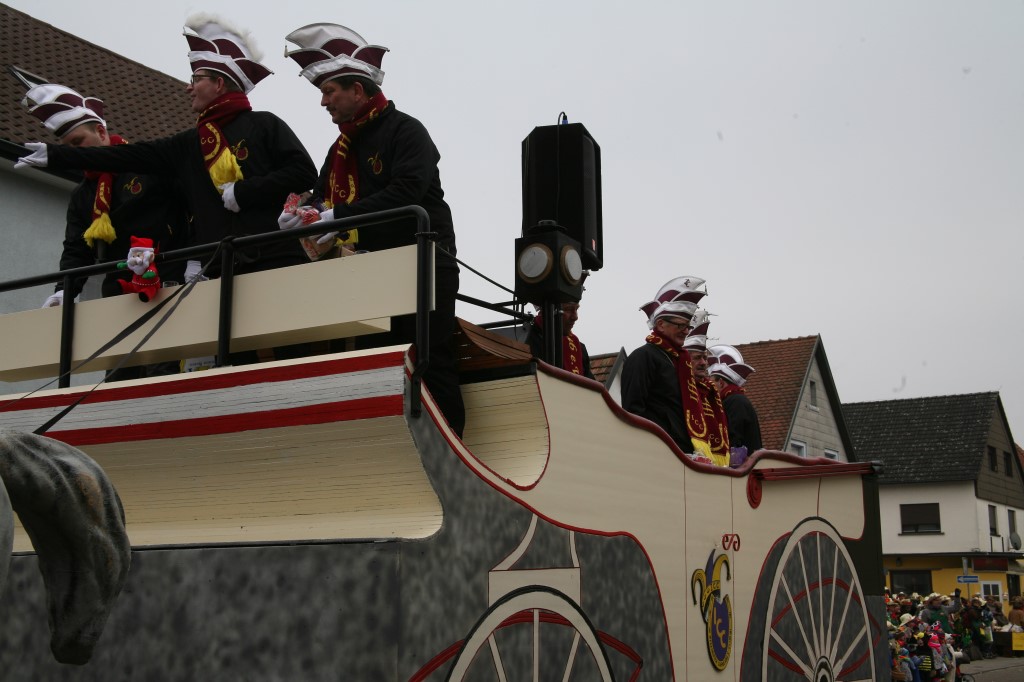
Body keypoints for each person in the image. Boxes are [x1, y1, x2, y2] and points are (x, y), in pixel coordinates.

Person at [17, 16, 317, 281]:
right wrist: (55, 155)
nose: (188, 87)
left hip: (276, 258)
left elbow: (303, 172)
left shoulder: (263, 124)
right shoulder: (186, 144)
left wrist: (244, 191)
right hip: (220, 267)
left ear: (218, 84)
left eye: (195, 79)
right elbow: (123, 156)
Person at [282, 23, 464, 436]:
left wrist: (336, 218)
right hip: (368, 271)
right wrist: (300, 215)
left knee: (430, 360)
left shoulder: (406, 130)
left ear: (358, 90)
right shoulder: (338, 149)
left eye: (330, 91)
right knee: (375, 362)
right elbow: (322, 200)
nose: (323, 102)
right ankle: (390, 443)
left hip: (424, 263)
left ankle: (452, 447)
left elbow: (406, 193)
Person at [20, 82, 187, 380]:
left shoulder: (147, 164)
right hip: (118, 287)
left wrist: (195, 261)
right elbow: (76, 248)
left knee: (162, 369)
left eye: (78, 142)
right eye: (68, 147)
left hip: (166, 277)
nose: (74, 152)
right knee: (119, 375)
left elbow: (189, 209)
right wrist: (64, 290)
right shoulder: (83, 194)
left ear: (101, 132)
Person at [621, 276, 730, 465]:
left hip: (681, 453)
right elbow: (633, 411)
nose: (686, 331)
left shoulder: (680, 362)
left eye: (687, 326)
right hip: (658, 453)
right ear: (661, 325)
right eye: (680, 325)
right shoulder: (643, 357)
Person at [709, 344, 764, 455]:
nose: (709, 386)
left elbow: (734, 440)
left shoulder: (735, 402)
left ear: (721, 383)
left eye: (712, 382)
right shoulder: (735, 400)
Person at [525, 301, 595, 380]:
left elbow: (592, 386)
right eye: (568, 309)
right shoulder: (525, 343)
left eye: (576, 309)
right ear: (548, 310)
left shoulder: (580, 348)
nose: (575, 317)